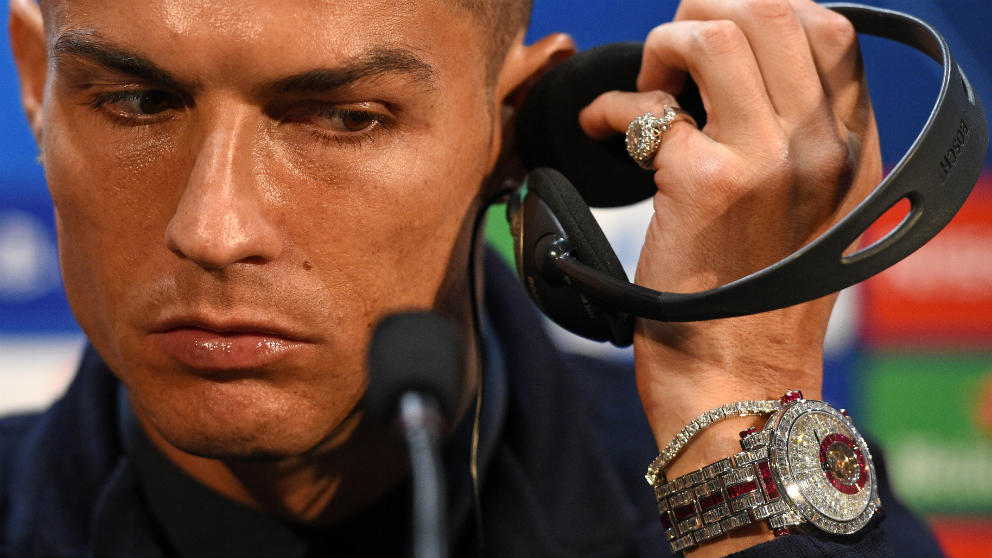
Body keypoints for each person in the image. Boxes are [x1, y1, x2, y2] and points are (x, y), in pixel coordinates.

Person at [0, 0, 945, 556]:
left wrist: (732, 425)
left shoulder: (734, 502)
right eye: (136, 102)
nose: (211, 229)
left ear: (515, 130)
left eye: (345, 119)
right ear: (38, 83)